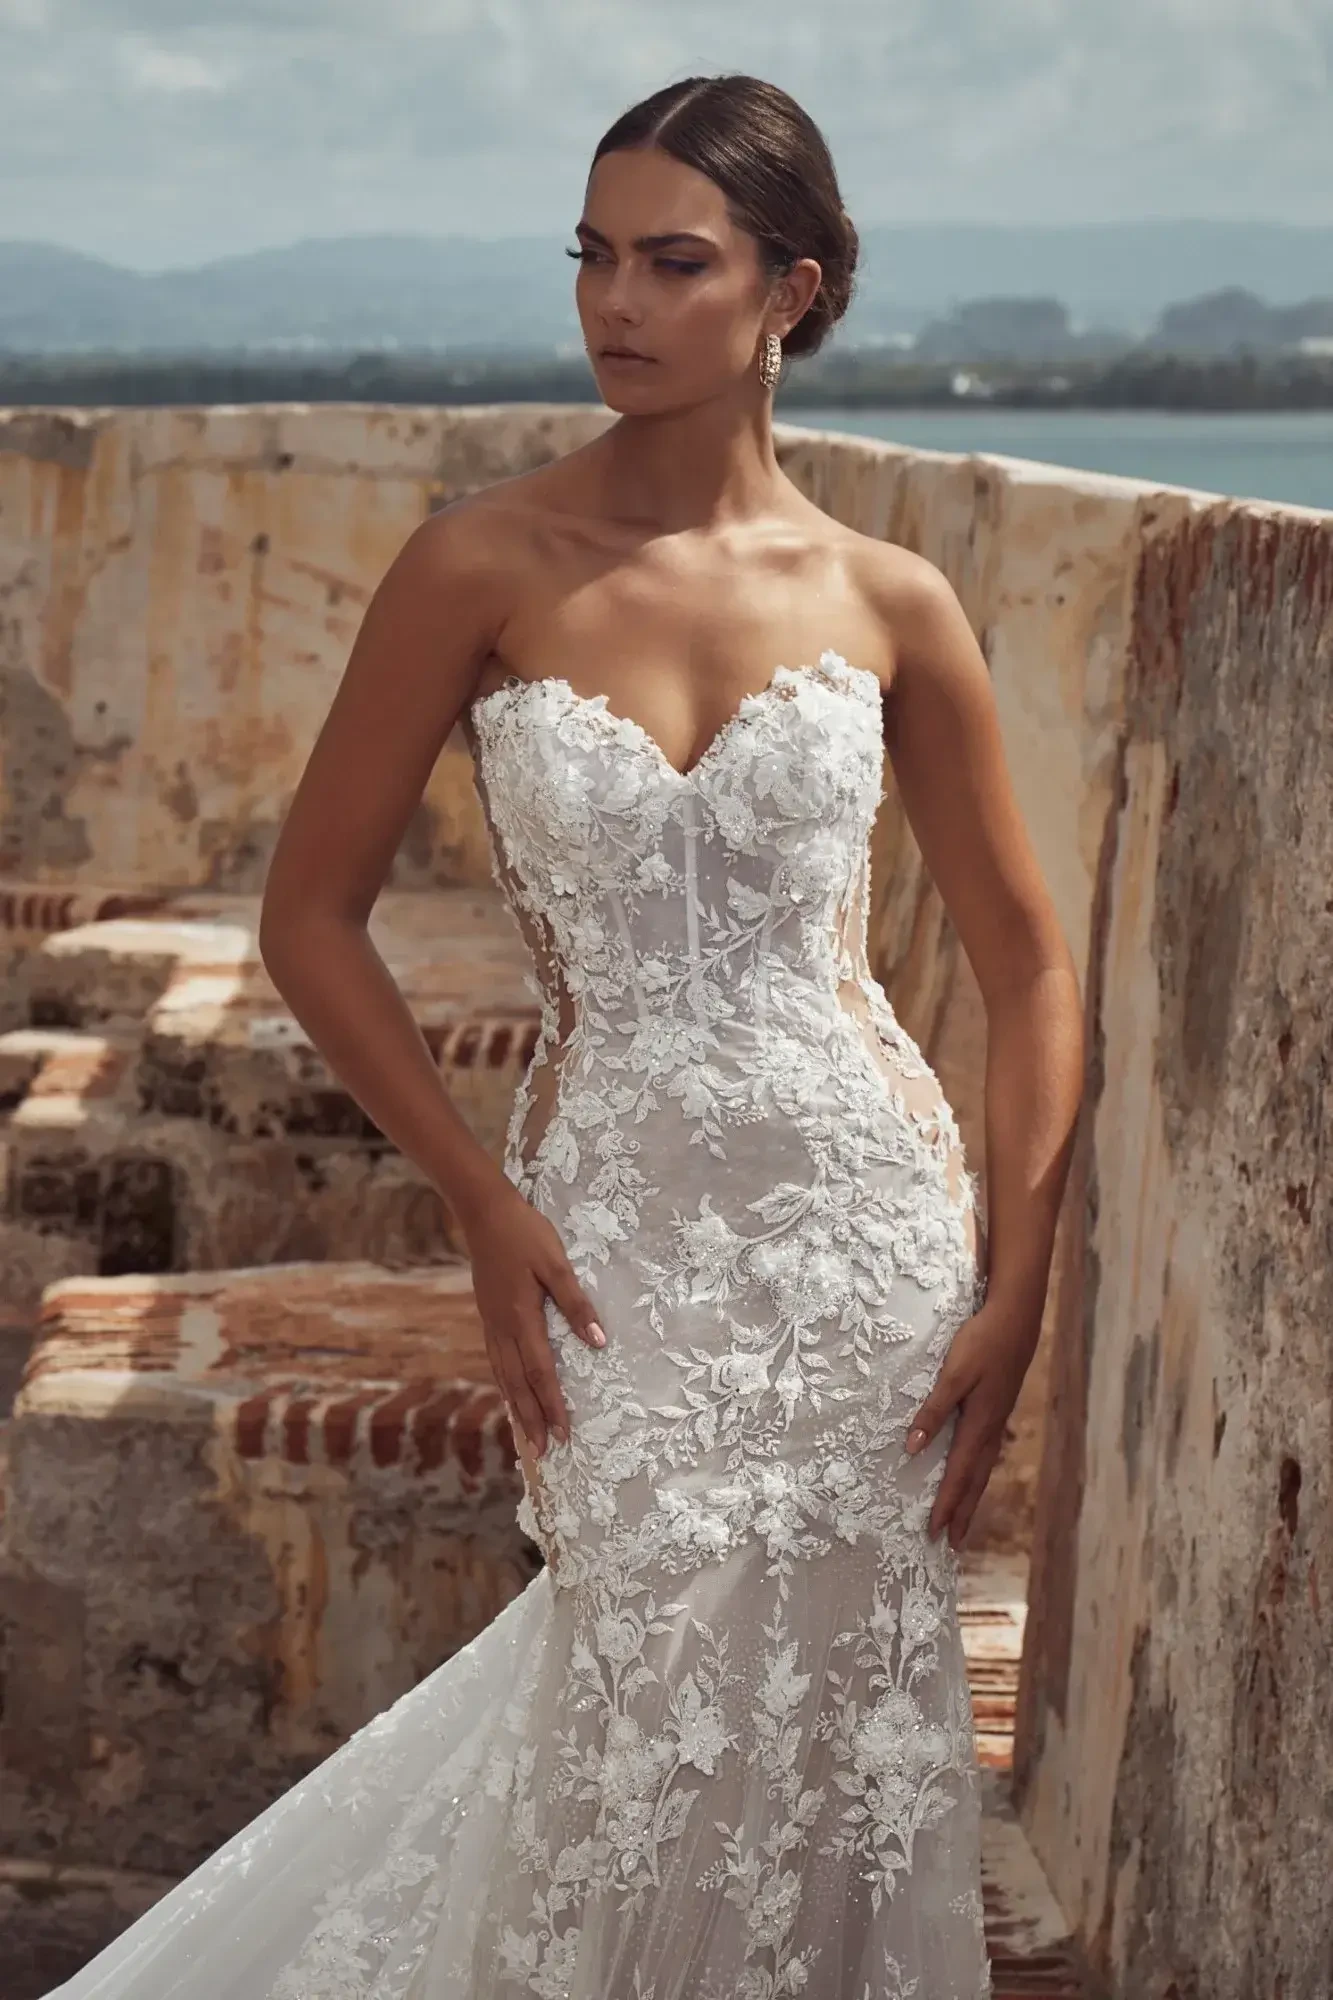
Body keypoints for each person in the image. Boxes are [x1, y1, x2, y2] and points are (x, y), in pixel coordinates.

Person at [50, 70, 1084, 2000]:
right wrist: (473, 1197)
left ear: (796, 285)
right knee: (637, 1683)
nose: (617, 301)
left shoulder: (890, 598)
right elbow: (311, 914)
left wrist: (1017, 1283)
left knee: (828, 1726)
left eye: (673, 262)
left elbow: (1033, 961)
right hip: (610, 1235)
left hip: (865, 1232)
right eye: (594, 256)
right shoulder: (481, 564)